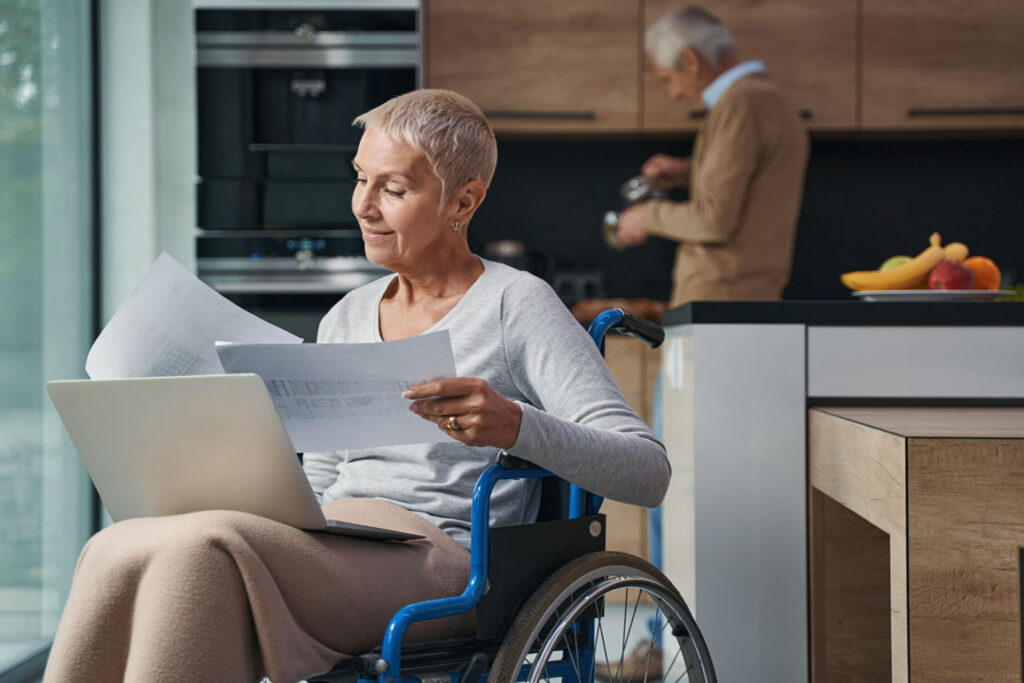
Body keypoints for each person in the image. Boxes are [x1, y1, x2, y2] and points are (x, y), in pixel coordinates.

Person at [43, 89, 670, 683]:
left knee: (201, 551)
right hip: (339, 534)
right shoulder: (345, 314)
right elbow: (319, 480)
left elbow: (647, 472)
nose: (363, 205)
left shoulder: (515, 305)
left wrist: (516, 426)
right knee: (119, 545)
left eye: (392, 188)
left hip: (448, 555)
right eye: (359, 178)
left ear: (463, 203)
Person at [617, 5, 810, 306]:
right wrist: (688, 171)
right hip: (743, 299)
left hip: (720, 303)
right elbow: (753, 181)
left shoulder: (741, 104)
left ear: (689, 60)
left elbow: (713, 221)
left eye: (668, 79)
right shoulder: (767, 99)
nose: (673, 95)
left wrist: (647, 216)